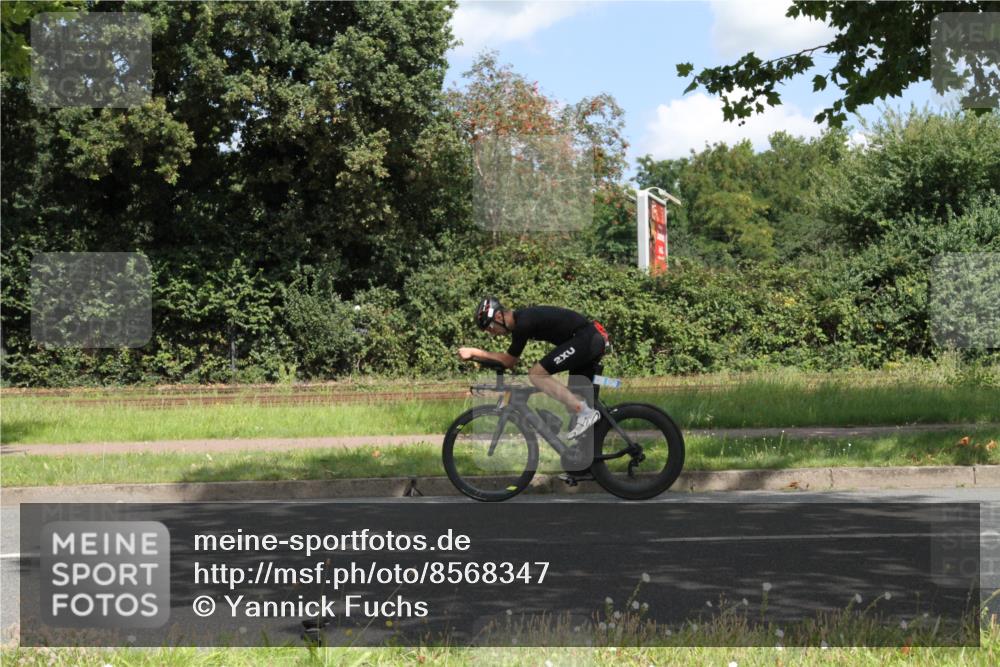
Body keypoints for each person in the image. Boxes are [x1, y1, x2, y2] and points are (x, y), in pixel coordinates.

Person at [457, 296, 610, 440]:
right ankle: (589, 461)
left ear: (498, 317)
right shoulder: (522, 320)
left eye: (490, 327)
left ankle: (585, 412)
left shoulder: (523, 323)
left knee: (537, 374)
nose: (492, 333)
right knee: (575, 403)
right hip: (586, 339)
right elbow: (509, 361)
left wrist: (474, 352)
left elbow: (509, 361)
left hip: (586, 339)